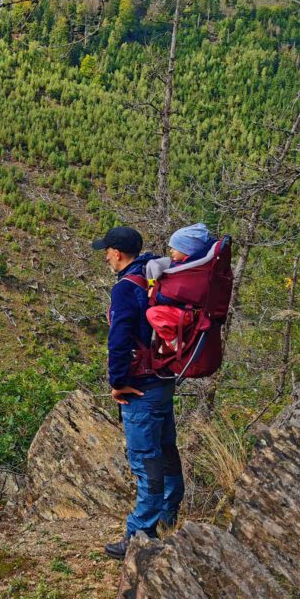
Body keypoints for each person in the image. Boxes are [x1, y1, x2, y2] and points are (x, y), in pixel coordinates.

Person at [91, 226, 185, 560]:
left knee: (145, 460)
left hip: (140, 386)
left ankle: (140, 533)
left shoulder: (125, 289)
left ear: (117, 252)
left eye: (107, 250)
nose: (105, 255)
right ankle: (168, 515)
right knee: (165, 449)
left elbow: (118, 340)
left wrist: (117, 382)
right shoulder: (152, 276)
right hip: (162, 379)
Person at [145, 223, 219, 353]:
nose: (171, 251)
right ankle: (170, 343)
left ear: (187, 249)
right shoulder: (191, 267)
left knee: (152, 314)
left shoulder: (189, 273)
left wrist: (155, 294)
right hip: (186, 311)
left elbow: (174, 296)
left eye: (175, 248)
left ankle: (175, 343)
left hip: (187, 313)